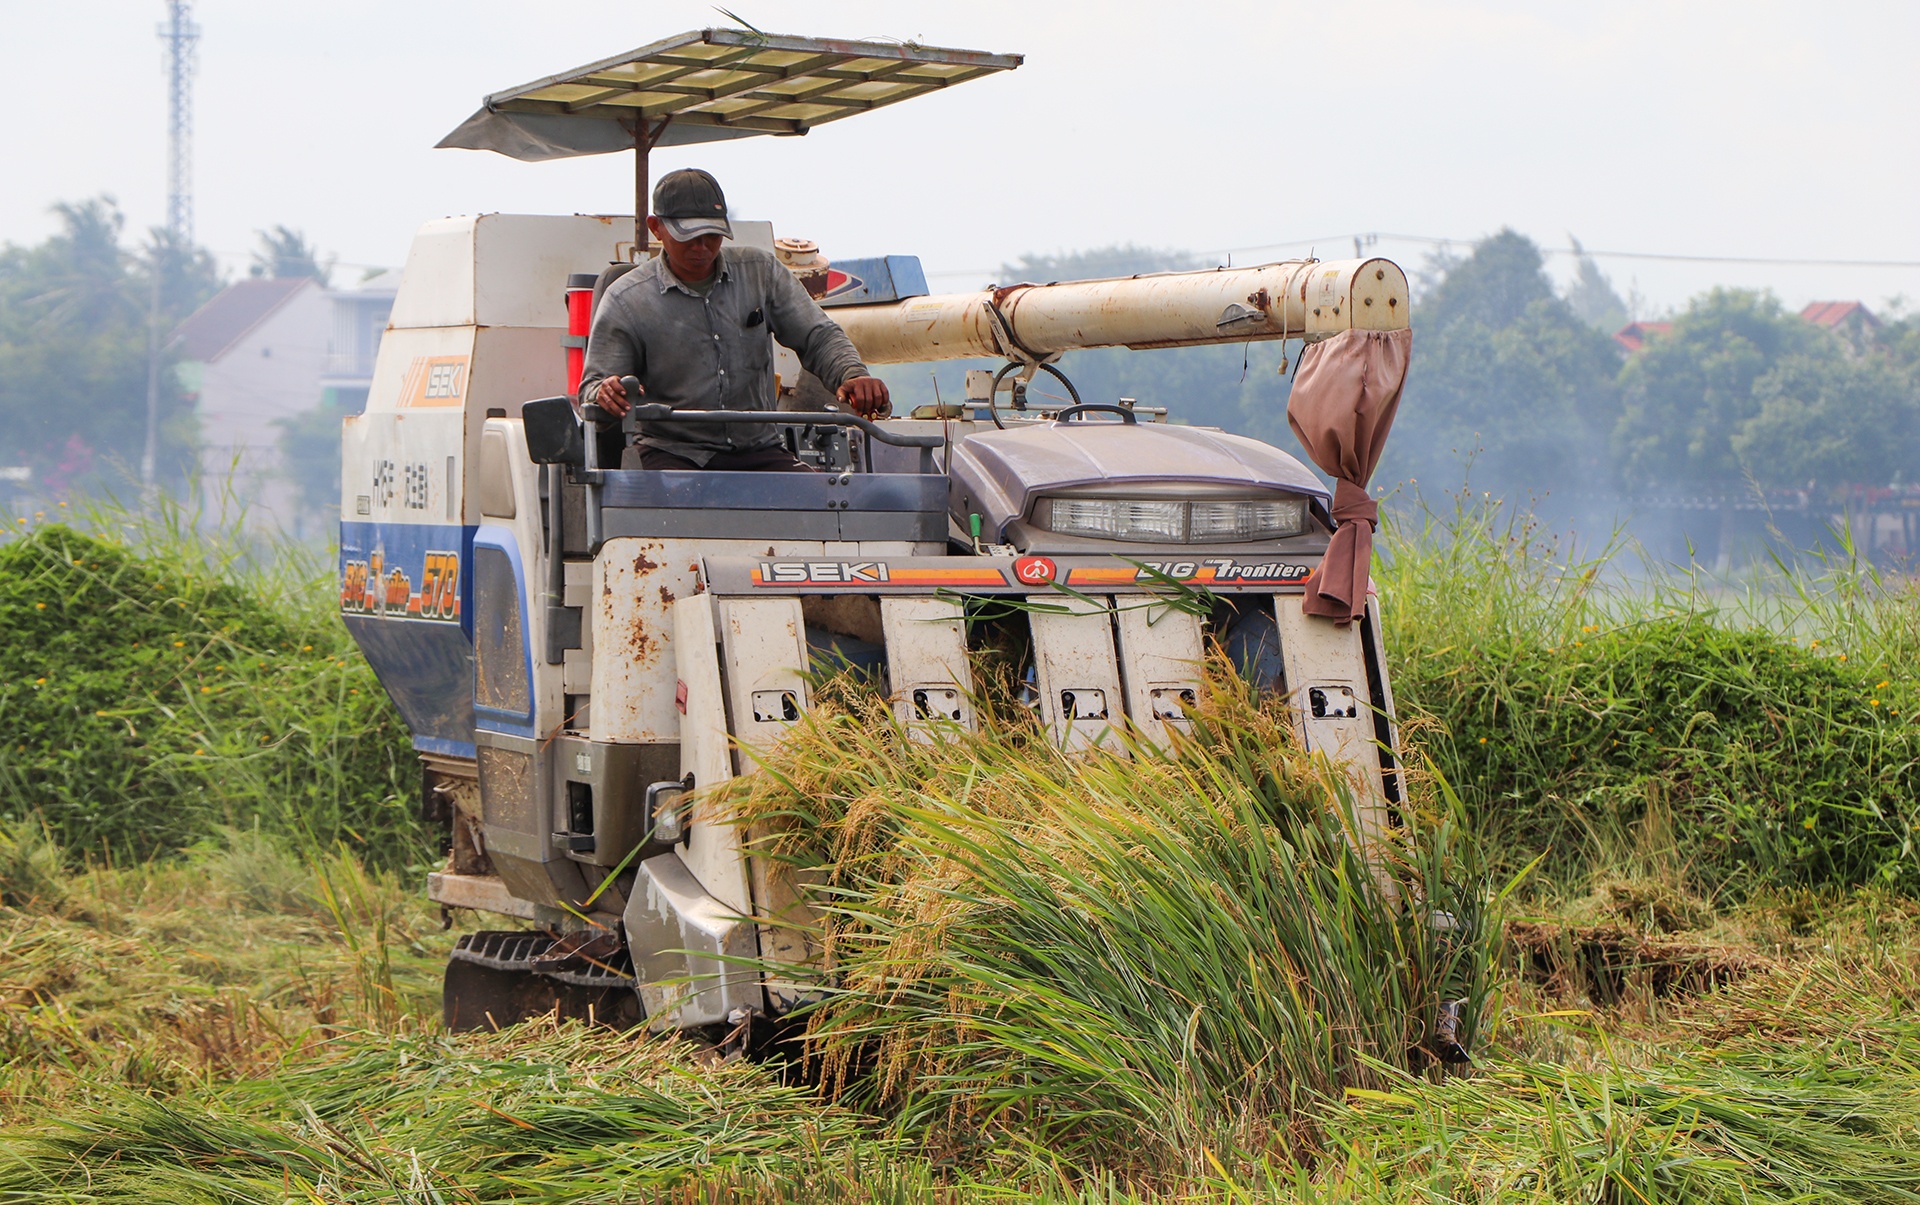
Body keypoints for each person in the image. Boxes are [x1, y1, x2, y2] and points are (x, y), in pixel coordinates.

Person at [578, 168, 890, 472]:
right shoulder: (626, 299)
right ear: (656, 227)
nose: (702, 247)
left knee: (822, 507)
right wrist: (606, 393)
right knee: (677, 515)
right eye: (689, 236)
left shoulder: (761, 271)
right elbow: (593, 389)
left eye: (712, 235)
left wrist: (851, 374)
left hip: (759, 449)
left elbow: (818, 336)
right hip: (672, 452)